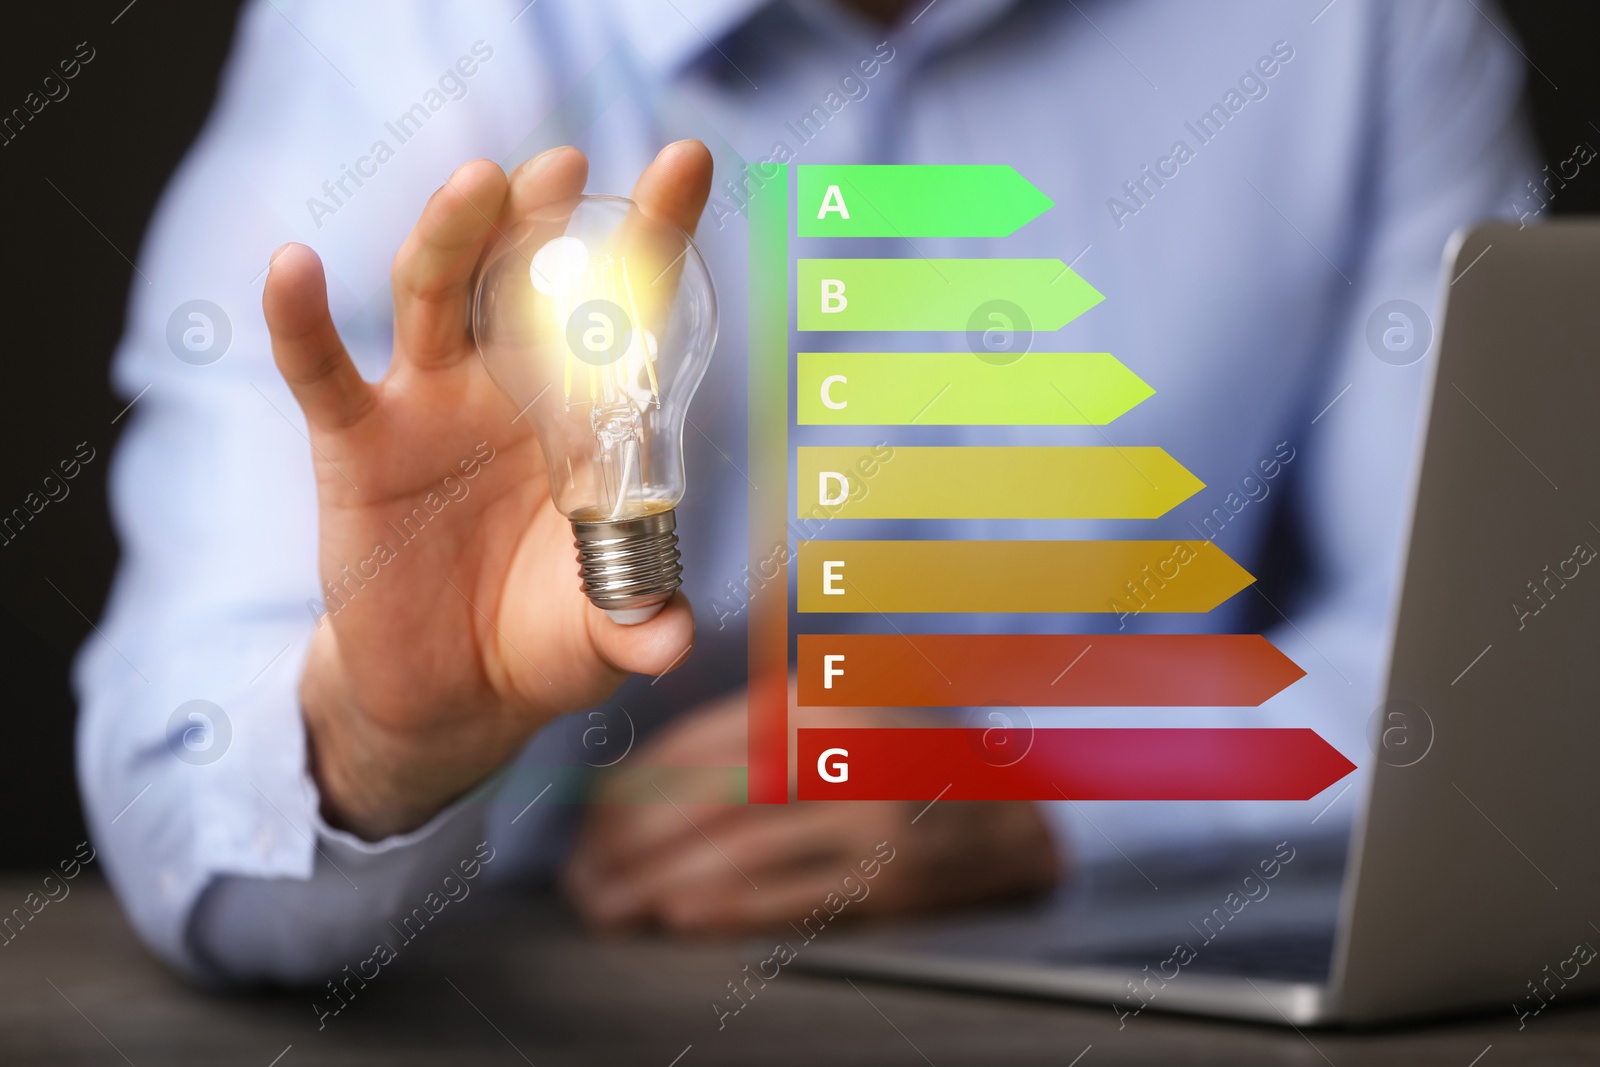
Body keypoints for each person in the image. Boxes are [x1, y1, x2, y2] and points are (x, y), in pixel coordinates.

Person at [76, 0, 1534, 982]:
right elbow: (186, 774)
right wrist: (382, 745)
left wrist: (1053, 783)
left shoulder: (1365, 33)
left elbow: (1492, 672)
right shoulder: (407, 39)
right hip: (559, 983)